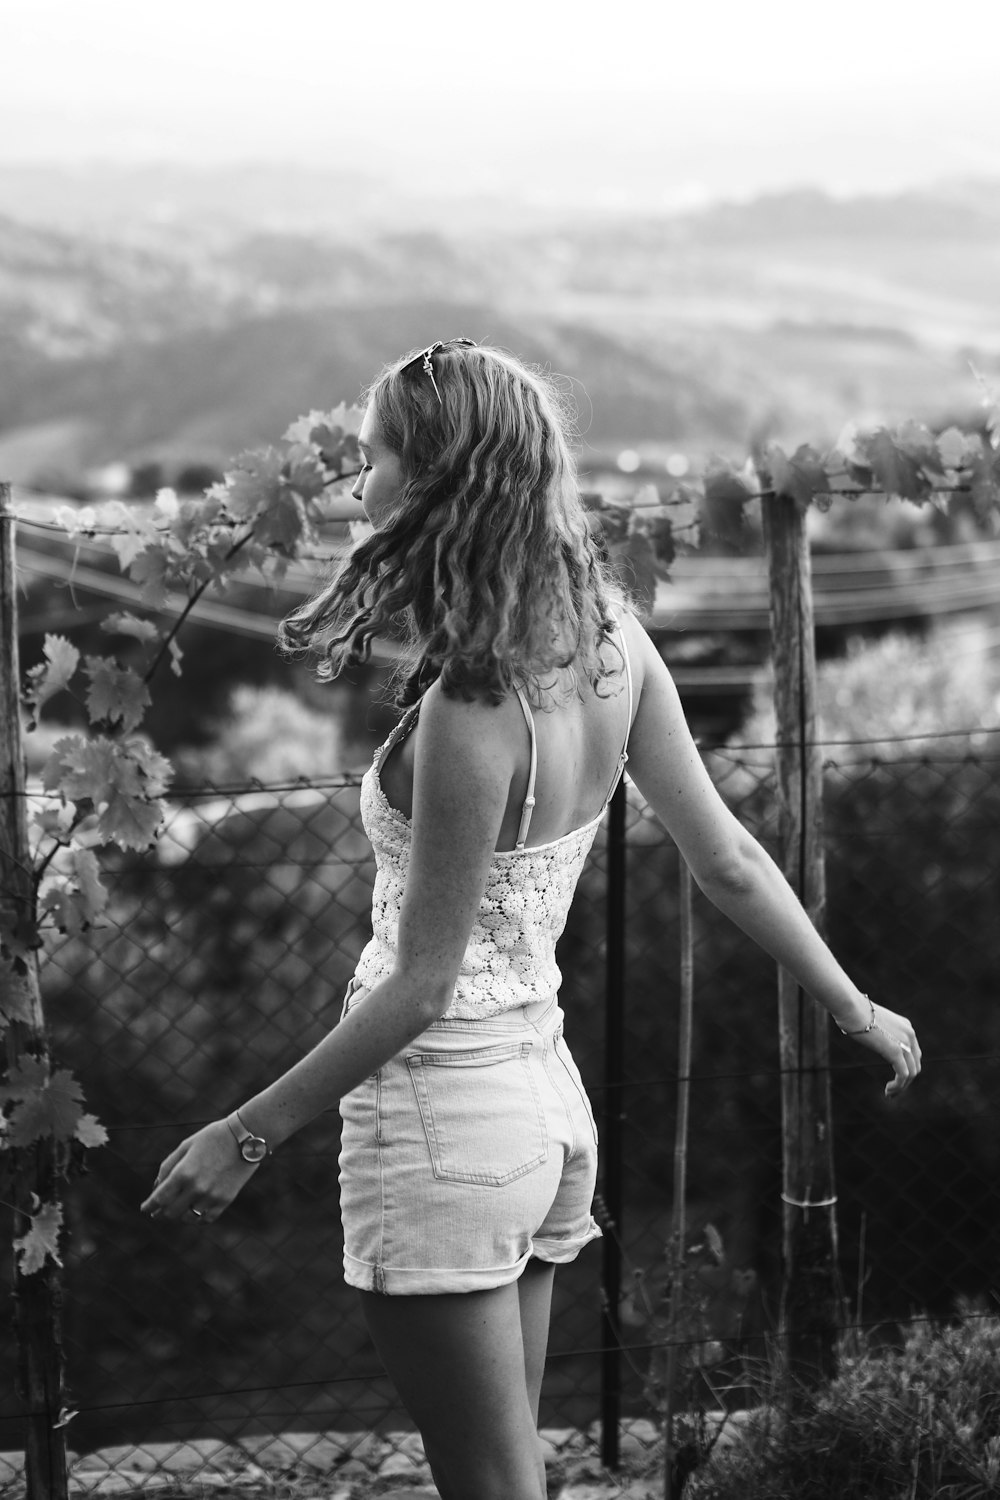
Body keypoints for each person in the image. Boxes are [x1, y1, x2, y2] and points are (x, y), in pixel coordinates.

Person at [142, 339, 921, 1500]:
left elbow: (420, 985)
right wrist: (855, 1007)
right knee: (515, 1482)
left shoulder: (473, 705)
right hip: (544, 1117)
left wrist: (242, 1136)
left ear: (439, 476)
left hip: (446, 1118)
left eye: (375, 461)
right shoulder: (612, 642)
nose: (361, 490)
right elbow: (733, 861)